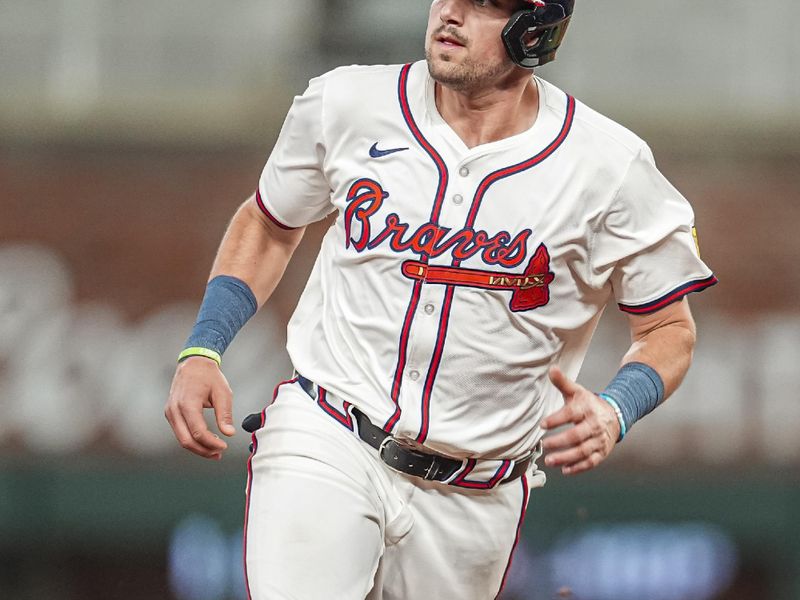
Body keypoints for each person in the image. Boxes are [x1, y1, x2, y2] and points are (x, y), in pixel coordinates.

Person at [165, 1, 717, 598]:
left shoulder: (610, 166)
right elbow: (270, 223)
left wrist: (617, 408)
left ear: (536, 27)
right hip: (329, 433)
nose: (450, 14)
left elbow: (669, 330)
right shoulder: (346, 102)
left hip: (478, 492)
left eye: (483, 3)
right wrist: (205, 345)